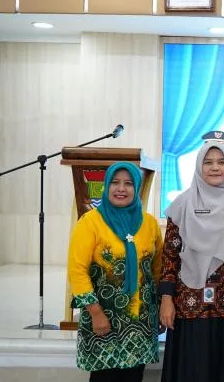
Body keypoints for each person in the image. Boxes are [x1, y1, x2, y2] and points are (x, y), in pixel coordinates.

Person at [159, 140, 224, 382]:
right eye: (208, 162)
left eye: (221, 162)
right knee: (191, 370)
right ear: (199, 166)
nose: (215, 167)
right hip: (189, 304)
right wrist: (166, 299)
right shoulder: (183, 204)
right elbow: (170, 255)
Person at [67, 162, 163, 382]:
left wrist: (157, 308)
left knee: (134, 376)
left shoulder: (149, 223)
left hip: (139, 323)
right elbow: (77, 270)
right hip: (103, 319)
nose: (121, 189)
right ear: (106, 186)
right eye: (115, 182)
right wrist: (95, 312)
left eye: (128, 183)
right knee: (104, 377)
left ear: (136, 188)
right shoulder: (90, 222)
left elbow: (157, 270)